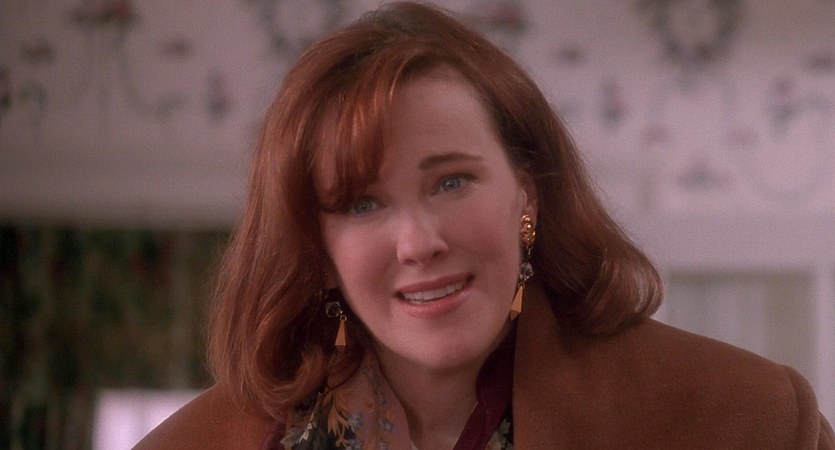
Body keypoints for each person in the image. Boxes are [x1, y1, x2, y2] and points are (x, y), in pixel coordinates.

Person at [135, 2, 833, 449]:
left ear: (526, 194)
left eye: (451, 181)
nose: (419, 243)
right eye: (361, 204)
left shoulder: (747, 419)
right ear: (316, 248)